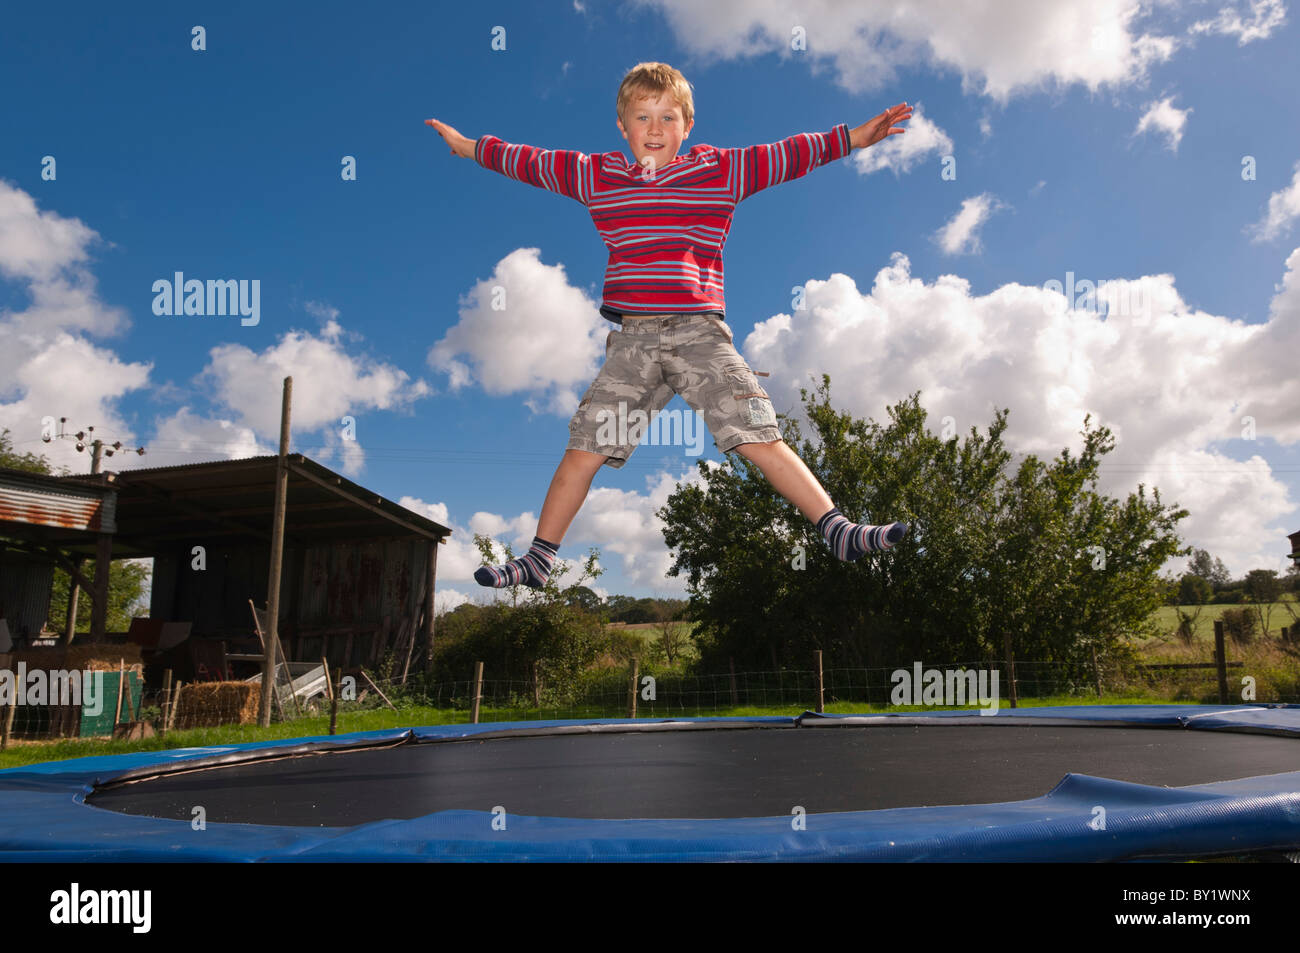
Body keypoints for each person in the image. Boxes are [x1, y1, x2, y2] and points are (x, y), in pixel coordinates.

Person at [427, 62, 912, 590]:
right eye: (642, 117)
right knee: (583, 448)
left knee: (756, 432)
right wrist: (470, 146)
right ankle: (540, 559)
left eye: (668, 118)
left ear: (688, 126)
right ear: (622, 127)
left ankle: (834, 527)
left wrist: (852, 138)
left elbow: (785, 155)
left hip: (700, 333)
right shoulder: (597, 175)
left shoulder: (720, 170)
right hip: (633, 340)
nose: (654, 129)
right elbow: (529, 161)